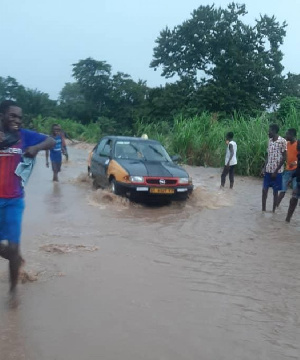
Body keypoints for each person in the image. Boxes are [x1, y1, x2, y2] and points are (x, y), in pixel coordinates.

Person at [0, 100, 55, 296]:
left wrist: (37, 148)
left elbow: (51, 141)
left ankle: (14, 290)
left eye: (20, 117)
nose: (17, 120)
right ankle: (16, 258)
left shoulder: (24, 136)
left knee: (14, 246)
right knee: (8, 250)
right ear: (2, 115)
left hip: (14, 200)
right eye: (12, 116)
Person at [262, 124, 287, 212]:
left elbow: (284, 157)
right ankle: (263, 210)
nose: (268, 133)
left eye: (270, 131)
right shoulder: (269, 141)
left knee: (275, 192)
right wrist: (264, 168)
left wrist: (276, 171)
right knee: (264, 191)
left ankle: (273, 211)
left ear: (274, 131)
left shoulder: (282, 141)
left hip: (277, 172)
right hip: (268, 170)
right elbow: (267, 156)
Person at [277, 128, 299, 207]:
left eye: (287, 134)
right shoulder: (287, 143)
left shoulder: (297, 144)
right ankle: (275, 207)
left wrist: (296, 162)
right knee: (282, 190)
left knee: (295, 193)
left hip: (296, 171)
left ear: (292, 135)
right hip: (288, 170)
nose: (286, 136)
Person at [285, 153, 300, 222]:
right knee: (293, 200)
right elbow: (298, 168)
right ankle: (287, 220)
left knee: (293, 201)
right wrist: (292, 177)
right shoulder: (299, 156)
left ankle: (287, 220)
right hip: (298, 182)